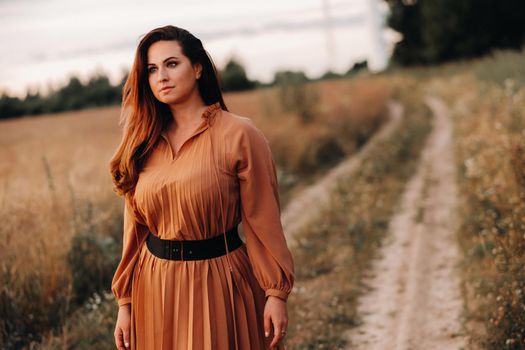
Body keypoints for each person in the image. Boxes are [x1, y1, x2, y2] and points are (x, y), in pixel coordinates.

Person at [109, 25, 295, 350]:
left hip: (220, 281)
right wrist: (125, 302)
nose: (161, 77)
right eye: (152, 69)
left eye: (171, 64)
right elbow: (134, 231)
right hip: (154, 286)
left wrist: (275, 293)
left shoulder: (239, 134)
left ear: (197, 68)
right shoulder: (142, 142)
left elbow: (262, 220)